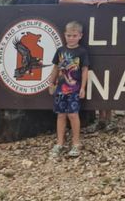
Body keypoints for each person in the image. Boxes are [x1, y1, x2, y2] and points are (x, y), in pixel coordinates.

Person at [60, 0, 125, 132]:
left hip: (110, 38)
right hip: (91, 40)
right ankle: (100, 119)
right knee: (94, 74)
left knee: (108, 75)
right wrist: (84, 2)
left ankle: (108, 118)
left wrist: (107, 2)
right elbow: (62, 0)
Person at [47, 21, 89, 159]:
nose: (71, 38)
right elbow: (56, 67)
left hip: (74, 89)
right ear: (65, 35)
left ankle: (76, 143)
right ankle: (60, 143)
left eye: (74, 36)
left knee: (73, 114)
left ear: (80, 36)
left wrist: (83, 87)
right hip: (60, 88)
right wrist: (51, 82)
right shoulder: (60, 51)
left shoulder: (82, 52)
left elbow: (85, 70)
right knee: (61, 115)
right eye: (69, 35)